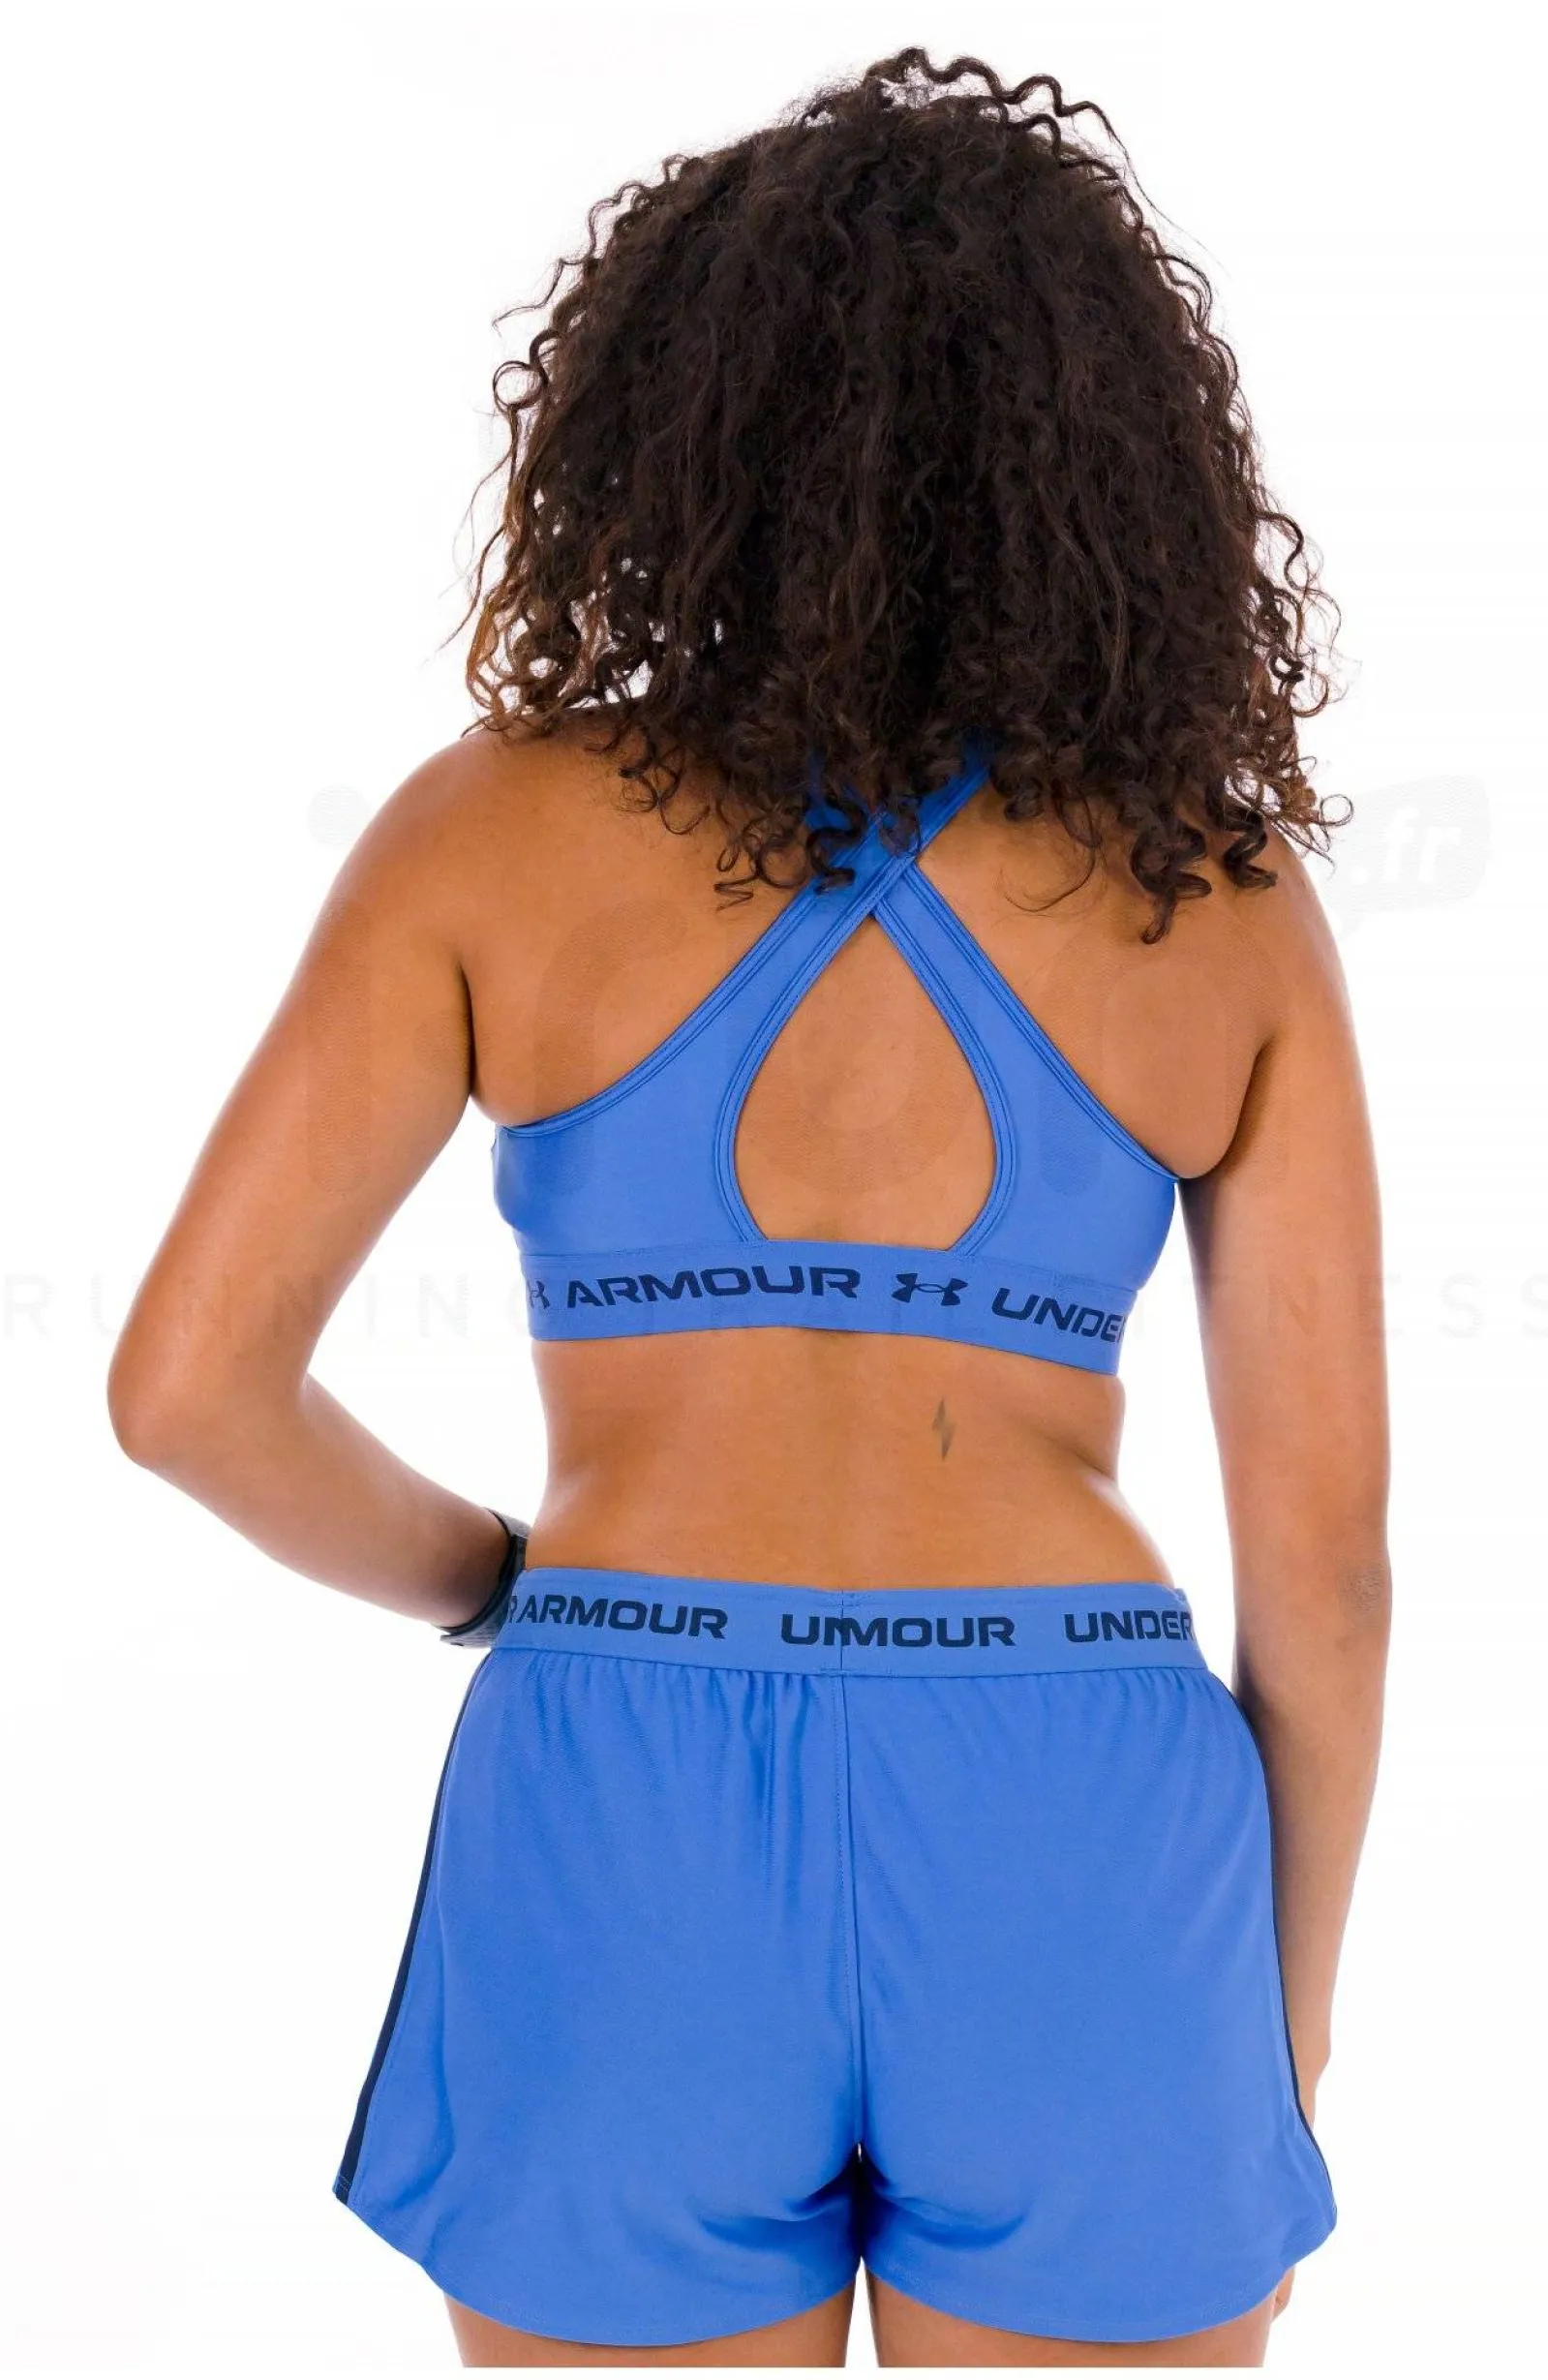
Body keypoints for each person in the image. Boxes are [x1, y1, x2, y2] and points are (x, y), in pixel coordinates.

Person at [107, 48, 1390, 2372]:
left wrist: (498, 1578)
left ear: (669, 424)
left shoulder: (488, 830)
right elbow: (1329, 1575)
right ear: (1105, 458)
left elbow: (188, 1390)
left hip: (622, 1799)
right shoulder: (1209, 890)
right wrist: (1272, 2024)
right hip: (1078, 1819)